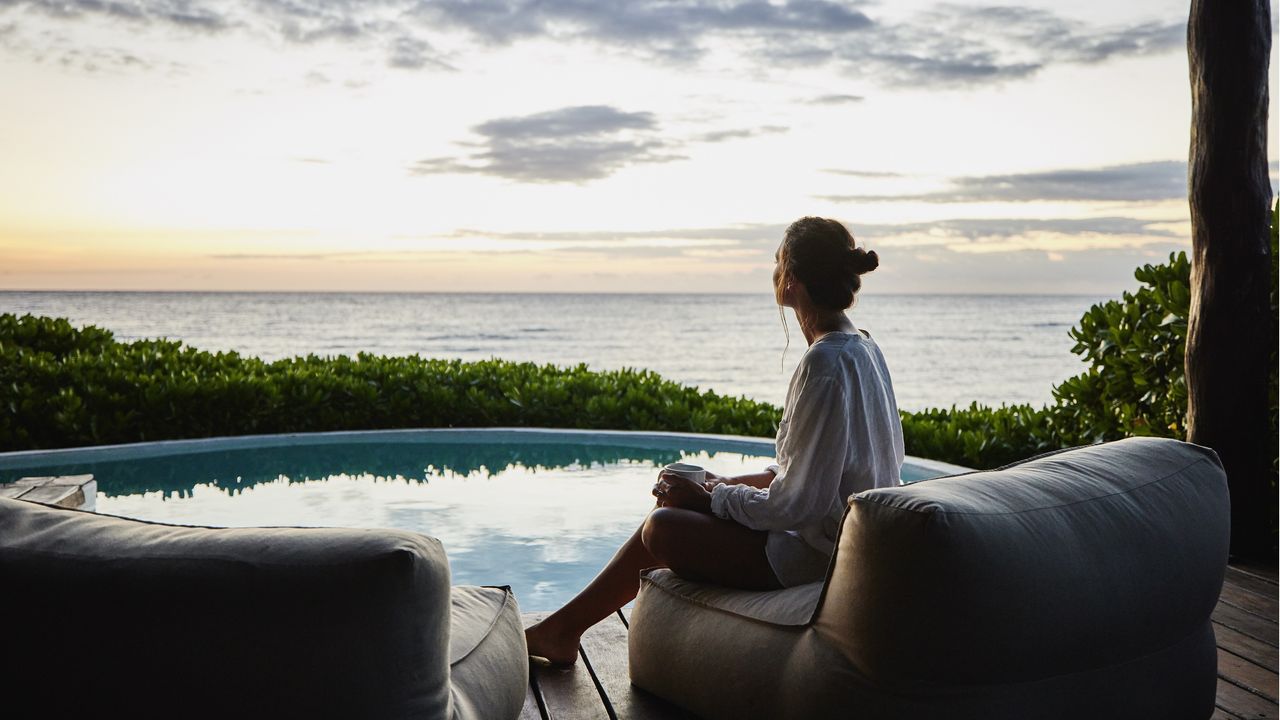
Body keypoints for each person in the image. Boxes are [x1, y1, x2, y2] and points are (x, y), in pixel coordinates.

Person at [524, 216, 905, 667]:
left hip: (818, 557)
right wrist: (716, 483)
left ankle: (563, 629)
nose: (774, 271)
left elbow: (796, 505)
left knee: (662, 527)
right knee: (677, 502)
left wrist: (712, 499)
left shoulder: (825, 362)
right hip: (833, 539)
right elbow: (812, 472)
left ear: (791, 278)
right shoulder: (862, 346)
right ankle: (564, 630)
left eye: (777, 261)